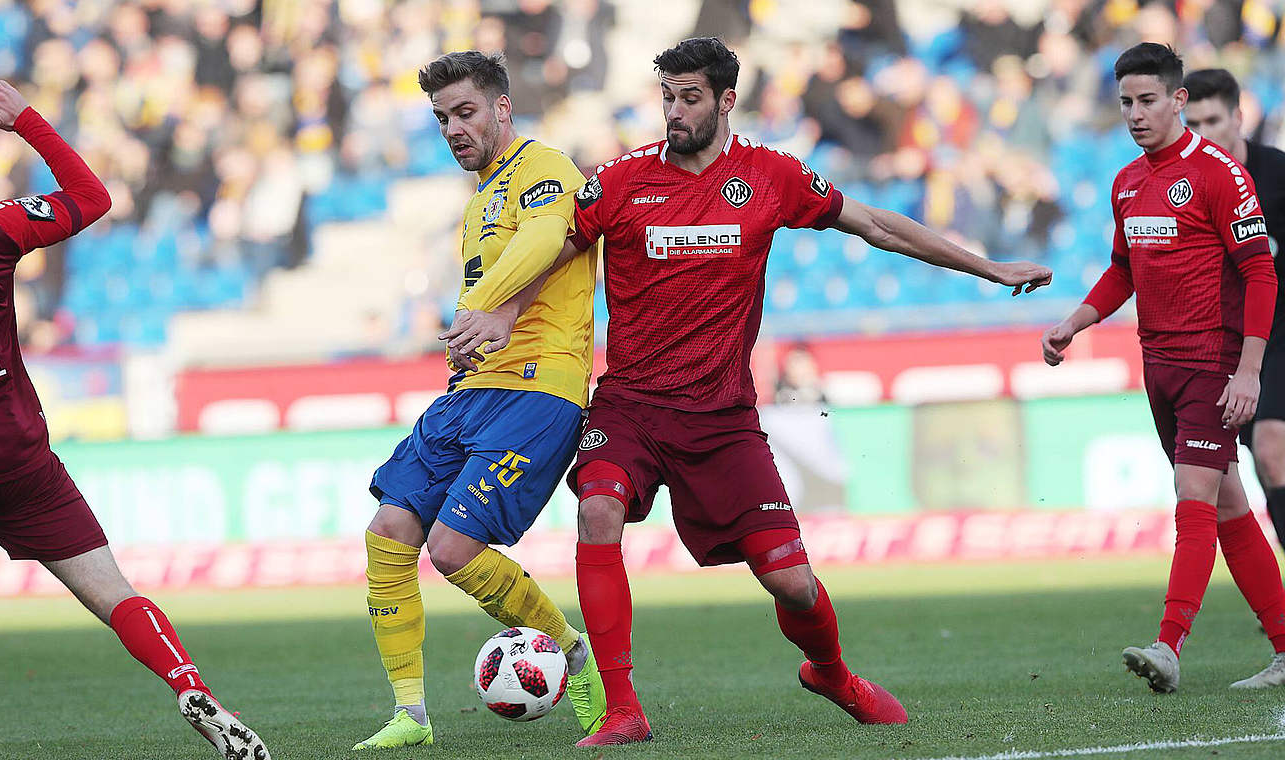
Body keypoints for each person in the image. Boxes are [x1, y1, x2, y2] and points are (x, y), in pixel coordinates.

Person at [448, 37, 1050, 747]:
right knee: (599, 509)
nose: (674, 111)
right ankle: (623, 707)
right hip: (631, 406)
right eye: (667, 96)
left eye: (690, 97)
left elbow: (877, 225)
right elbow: (555, 251)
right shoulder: (619, 181)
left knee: (792, 582)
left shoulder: (770, 177)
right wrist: (507, 310)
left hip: (722, 417)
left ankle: (832, 672)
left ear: (727, 100)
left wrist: (986, 266)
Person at [0, 81, 270, 760]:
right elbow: (93, 198)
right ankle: (193, 686)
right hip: (23, 467)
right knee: (115, 594)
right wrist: (26, 121)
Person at [353, 51, 604, 751]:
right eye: (441, 119)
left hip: (539, 385)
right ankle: (411, 715)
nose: (454, 129)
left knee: (453, 548)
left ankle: (573, 655)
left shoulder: (544, 167)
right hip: (470, 392)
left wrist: (485, 309)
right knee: (389, 535)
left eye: (465, 113)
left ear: (502, 107)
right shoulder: (476, 202)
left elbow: (548, 238)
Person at [1042, 43, 1285, 692]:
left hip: (1213, 363)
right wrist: (1076, 321)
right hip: (1159, 367)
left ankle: (1170, 644)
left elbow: (1261, 274)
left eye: (1148, 100)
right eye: (1125, 102)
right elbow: (1124, 269)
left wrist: (1249, 371)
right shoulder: (1126, 181)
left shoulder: (1219, 175)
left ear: (1178, 100)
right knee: (1230, 501)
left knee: (1195, 496)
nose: (1135, 114)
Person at [1183, 68, 1285, 551]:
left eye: (1213, 121)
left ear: (1239, 117)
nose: (1204, 135)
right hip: (1233, 344)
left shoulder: (1278, 175)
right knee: (1264, 465)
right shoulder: (1188, 188)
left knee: (1271, 448)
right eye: (1193, 124)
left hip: (1280, 333)